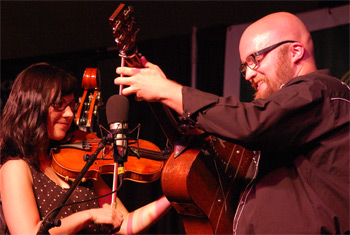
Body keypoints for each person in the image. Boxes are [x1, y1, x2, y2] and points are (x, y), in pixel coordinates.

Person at [114, 12, 350, 234]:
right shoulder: (287, 127)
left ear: (295, 51)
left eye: (254, 59)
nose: (248, 75)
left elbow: (253, 122)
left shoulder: (321, 90)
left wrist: (169, 92)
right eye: (243, 67)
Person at [0, 63, 171, 234]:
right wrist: (89, 216)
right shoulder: (15, 168)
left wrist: (172, 196)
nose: (69, 114)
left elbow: (125, 224)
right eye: (59, 104)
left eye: (71, 105)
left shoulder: (78, 161)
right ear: (33, 106)